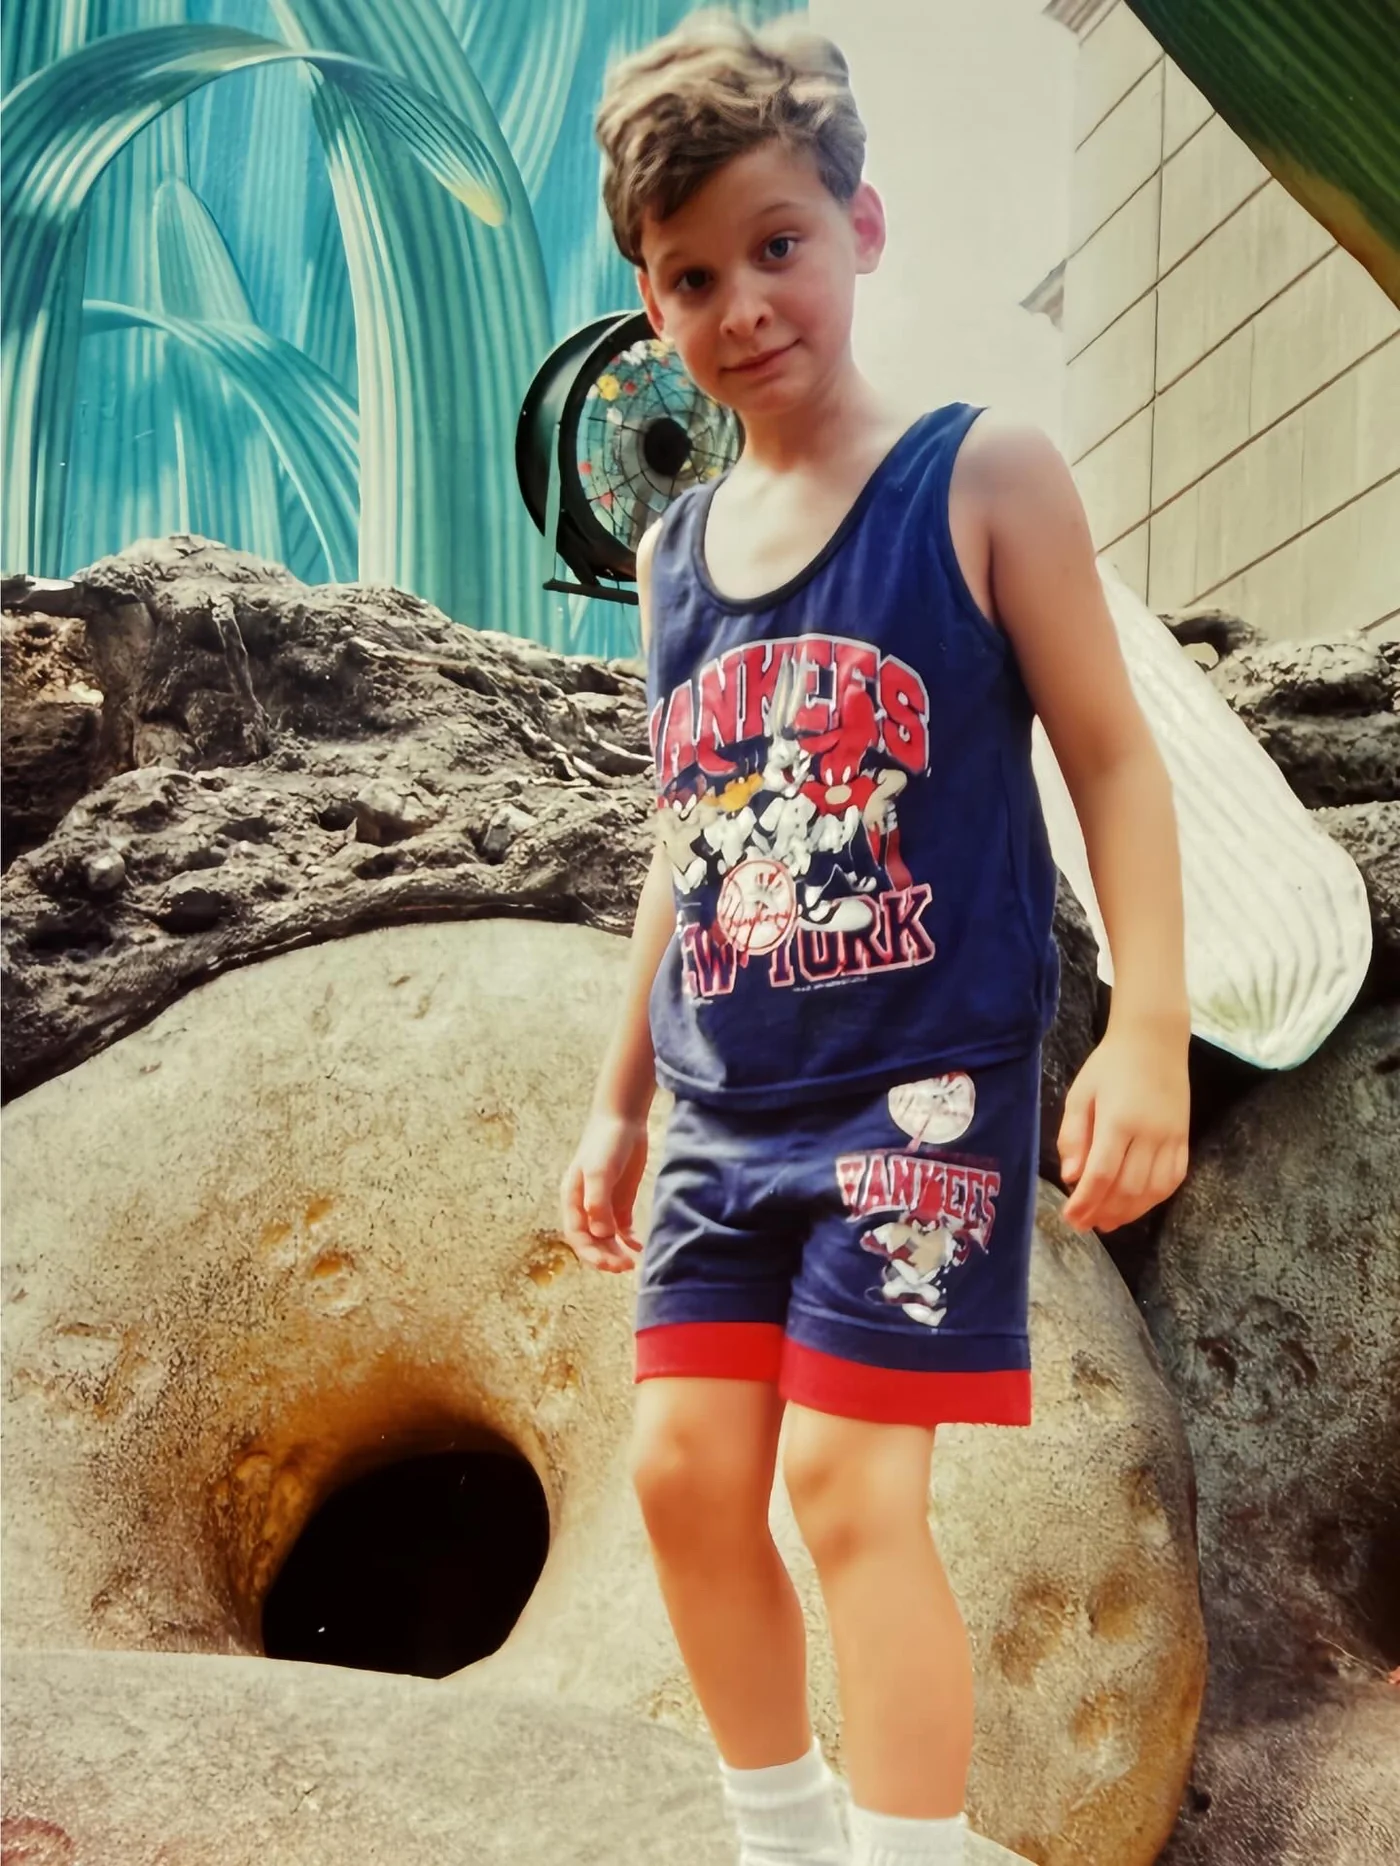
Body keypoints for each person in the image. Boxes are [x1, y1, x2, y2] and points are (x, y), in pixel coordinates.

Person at [559, 12, 1191, 1865]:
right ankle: (785, 1835)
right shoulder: (677, 565)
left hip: (915, 1104)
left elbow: (1115, 762)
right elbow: (691, 836)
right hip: (724, 1107)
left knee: (844, 1486)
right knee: (684, 1478)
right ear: (650, 309)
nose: (744, 300)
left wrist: (1143, 1027)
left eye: (778, 243)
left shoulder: (982, 476)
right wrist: (617, 1100)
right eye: (692, 275)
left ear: (863, 228)